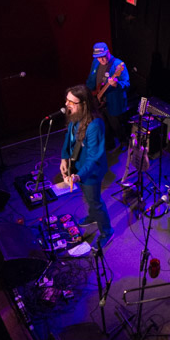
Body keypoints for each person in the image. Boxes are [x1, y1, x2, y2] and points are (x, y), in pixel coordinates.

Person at [60, 85, 113, 246]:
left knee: (95, 201)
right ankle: (92, 216)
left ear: (83, 104)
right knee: (89, 198)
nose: (67, 104)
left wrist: (78, 176)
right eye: (67, 100)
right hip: (79, 166)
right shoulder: (75, 117)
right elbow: (68, 138)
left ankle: (107, 231)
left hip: (91, 171)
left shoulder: (94, 125)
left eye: (72, 102)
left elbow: (93, 158)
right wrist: (64, 158)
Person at [86, 42, 130, 150]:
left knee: (116, 125)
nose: (100, 60)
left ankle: (124, 142)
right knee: (104, 125)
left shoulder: (118, 65)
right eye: (98, 58)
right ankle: (109, 145)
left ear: (108, 52)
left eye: (102, 57)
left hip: (113, 101)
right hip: (99, 100)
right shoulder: (95, 62)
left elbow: (127, 83)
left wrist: (116, 84)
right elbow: (92, 78)